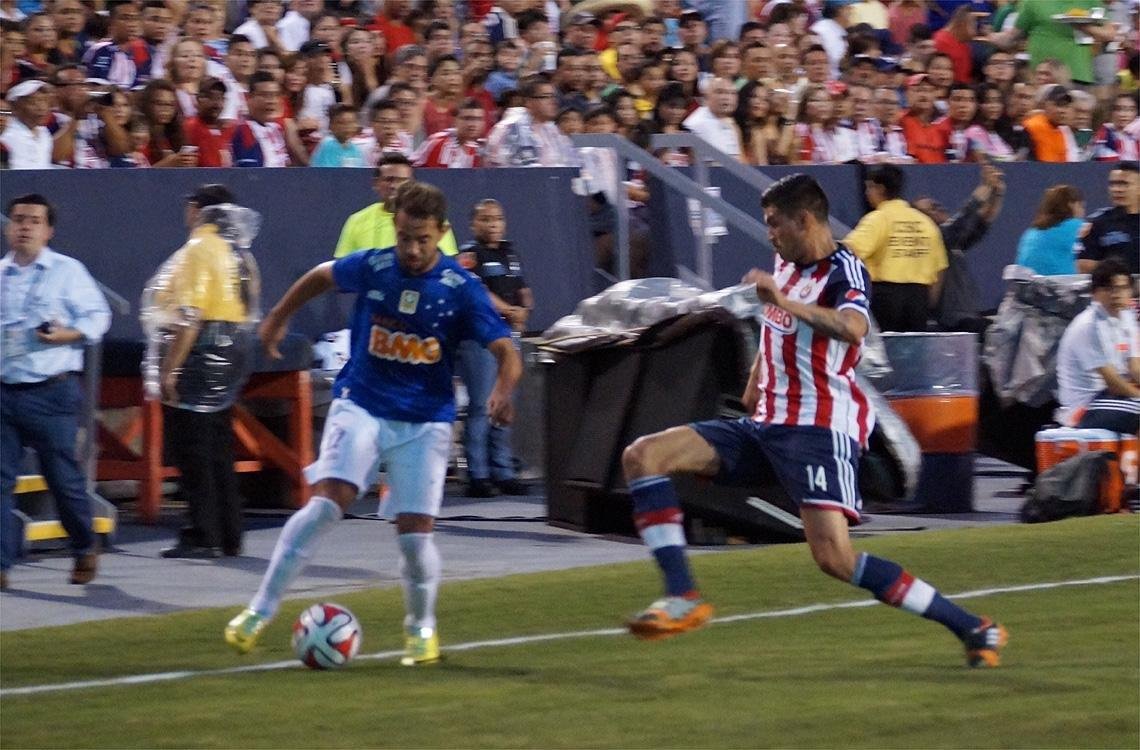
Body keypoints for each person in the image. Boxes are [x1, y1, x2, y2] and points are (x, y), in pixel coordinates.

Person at [618, 173, 1008, 669]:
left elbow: (851, 328)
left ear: (805, 220)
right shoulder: (786, 262)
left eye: (775, 224)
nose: (770, 235)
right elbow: (774, 331)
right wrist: (755, 383)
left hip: (819, 431)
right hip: (765, 425)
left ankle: (973, 627)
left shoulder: (846, 270)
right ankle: (683, 596)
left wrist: (781, 301)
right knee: (643, 455)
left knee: (836, 560)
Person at [224, 181, 522, 666]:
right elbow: (322, 275)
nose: (412, 249)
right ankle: (258, 611)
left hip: (425, 419)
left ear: (441, 233)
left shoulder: (460, 289)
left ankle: (421, 629)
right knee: (326, 505)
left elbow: (507, 351)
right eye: (405, 236)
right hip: (362, 401)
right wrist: (278, 315)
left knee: (414, 535)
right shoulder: (376, 264)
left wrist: (503, 391)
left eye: (423, 239)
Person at [1, 193, 111, 590]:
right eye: (17, 219)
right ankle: (1, 563)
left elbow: (99, 316)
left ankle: (84, 547)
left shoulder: (68, 271)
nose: (24, 226)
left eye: (33, 220)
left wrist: (68, 334)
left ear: (49, 230)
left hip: (52, 391)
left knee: (62, 478)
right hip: (5, 390)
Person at [143, 184, 259, 559]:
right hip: (231, 352)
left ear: (197, 210)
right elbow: (250, 301)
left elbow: (188, 318)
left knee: (192, 449)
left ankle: (202, 533)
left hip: (199, 351)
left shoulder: (197, 250)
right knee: (219, 449)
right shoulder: (239, 253)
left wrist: (169, 370)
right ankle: (230, 533)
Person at [456, 199, 531, 498]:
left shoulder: (509, 251)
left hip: (508, 335)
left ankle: (502, 471)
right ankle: (477, 475)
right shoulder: (469, 255)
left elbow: (522, 288)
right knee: (480, 406)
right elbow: (477, 292)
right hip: (480, 339)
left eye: (498, 219)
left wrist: (523, 309)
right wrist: (510, 312)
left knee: (504, 407)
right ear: (474, 224)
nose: (493, 224)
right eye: (486, 220)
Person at [843, 164, 948, 332]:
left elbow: (848, 252)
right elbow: (940, 269)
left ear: (880, 189)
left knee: (886, 352)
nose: (866, 193)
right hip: (919, 299)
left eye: (869, 187)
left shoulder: (878, 219)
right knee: (914, 354)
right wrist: (928, 305)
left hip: (885, 298)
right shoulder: (926, 223)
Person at [913, 162, 1007, 331]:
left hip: (968, 317)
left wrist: (997, 193)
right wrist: (985, 186)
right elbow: (965, 215)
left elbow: (983, 221)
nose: (939, 207)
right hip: (953, 323)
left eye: (937, 204)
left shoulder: (951, 243)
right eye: (931, 208)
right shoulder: (935, 239)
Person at [1055, 258, 1139, 433]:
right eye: (1108, 289)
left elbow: (1135, 367)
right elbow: (1113, 384)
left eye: (1122, 288)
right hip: (1085, 407)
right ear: (1094, 293)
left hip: (1111, 397)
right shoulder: (1088, 326)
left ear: (1130, 291)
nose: (1116, 294)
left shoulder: (1127, 316)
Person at [334, 153, 458, 258]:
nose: (394, 186)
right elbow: (342, 266)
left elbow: (446, 262)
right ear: (376, 183)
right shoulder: (356, 220)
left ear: (413, 184)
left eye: (402, 180)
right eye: (388, 180)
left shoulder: (432, 219)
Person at [485, 73, 577, 167]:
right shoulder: (513, 127)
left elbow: (568, 159)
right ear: (529, 102)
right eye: (546, 97)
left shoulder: (551, 128)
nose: (553, 102)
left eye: (554, 97)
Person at [1077, 161, 1140, 276]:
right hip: (1115, 291)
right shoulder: (1097, 223)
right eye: (1113, 184)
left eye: (1124, 184)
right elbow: (1082, 265)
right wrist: (1118, 270)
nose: (1117, 189)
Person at [1014, 185, 1085, 276]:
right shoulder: (1076, 225)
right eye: (1081, 206)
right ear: (1072, 205)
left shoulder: (1030, 232)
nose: (1083, 211)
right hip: (1058, 286)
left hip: (1025, 287)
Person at [1, 79, 52, 169]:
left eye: (45, 101)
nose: (42, 107)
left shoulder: (45, 133)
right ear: (15, 106)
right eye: (33, 102)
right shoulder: (4, 131)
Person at [310, 103, 366, 167]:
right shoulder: (327, 145)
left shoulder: (356, 149)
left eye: (352, 122)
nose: (348, 127)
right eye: (342, 123)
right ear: (331, 125)